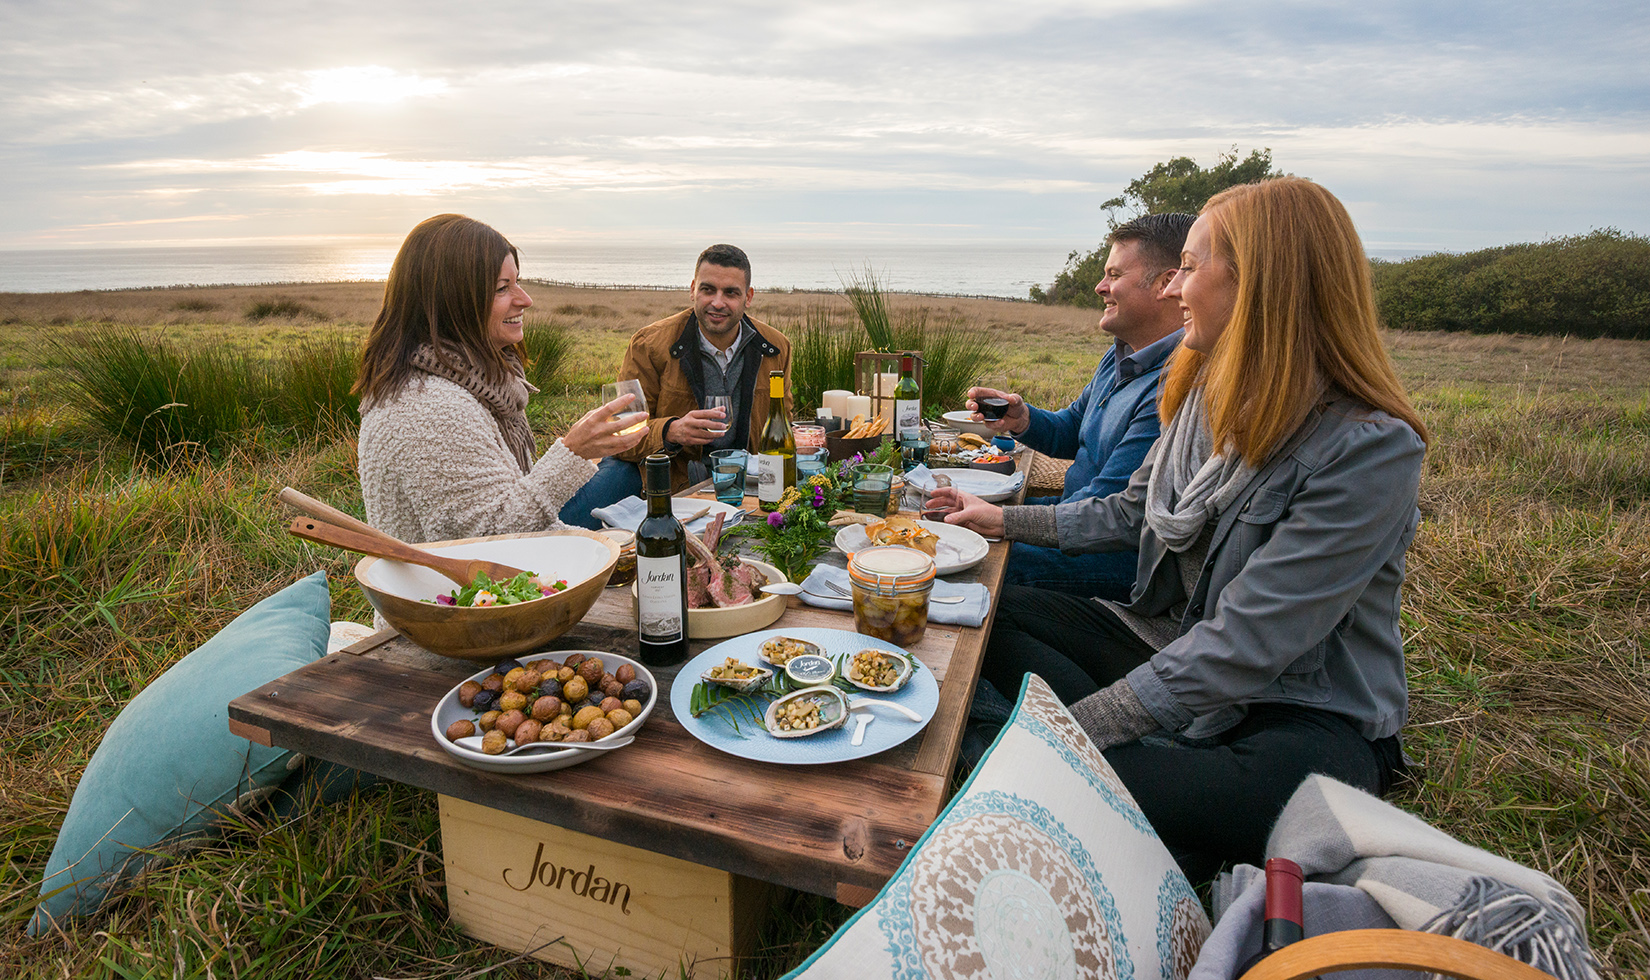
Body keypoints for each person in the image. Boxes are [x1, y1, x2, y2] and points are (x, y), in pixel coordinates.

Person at [931, 178, 1429, 882]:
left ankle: (1068, 764)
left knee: (1253, 788)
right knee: (991, 607)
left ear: (1259, 281)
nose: (1176, 289)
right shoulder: (1203, 395)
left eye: (1190, 269)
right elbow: (1132, 513)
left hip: (1293, 712)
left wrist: (1083, 729)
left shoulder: (1369, 449)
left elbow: (1245, 645)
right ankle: (1123, 782)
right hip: (1168, 642)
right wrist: (1004, 519)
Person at [355, 214, 648, 544]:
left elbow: (518, 526)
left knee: (626, 482)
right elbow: (487, 539)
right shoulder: (428, 407)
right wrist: (573, 452)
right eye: (502, 288)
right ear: (453, 300)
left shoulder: (473, 383)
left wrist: (614, 548)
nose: (525, 299)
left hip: (492, 580)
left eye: (517, 282)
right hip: (456, 592)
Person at [964, 213, 1193, 601]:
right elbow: (1073, 429)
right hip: (1070, 519)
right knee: (947, 523)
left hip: (1111, 560)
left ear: (1166, 283)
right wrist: (1023, 419)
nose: (1100, 286)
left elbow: (1112, 515)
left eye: (1115, 275)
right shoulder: (1120, 356)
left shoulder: (1174, 386)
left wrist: (1006, 521)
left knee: (969, 562)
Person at [614, 244, 792, 492]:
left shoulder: (776, 347)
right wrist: (670, 431)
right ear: (692, 289)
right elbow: (621, 433)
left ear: (748, 297)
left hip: (751, 488)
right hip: (673, 487)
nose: (717, 303)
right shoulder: (648, 345)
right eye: (708, 290)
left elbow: (784, 424)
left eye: (730, 293)